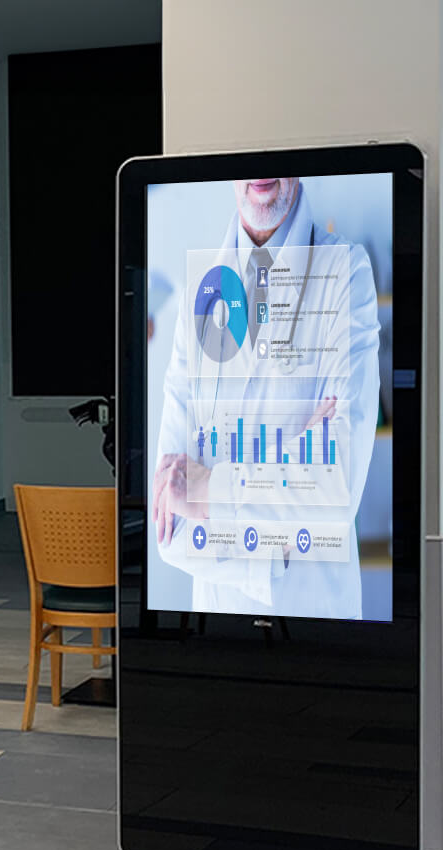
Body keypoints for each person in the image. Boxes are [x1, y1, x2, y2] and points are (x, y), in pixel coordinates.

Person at [149, 177, 381, 619]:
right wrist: (280, 544)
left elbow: (339, 485)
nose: (260, 172)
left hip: (317, 617)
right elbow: (171, 524)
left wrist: (206, 488)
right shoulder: (199, 285)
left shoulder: (346, 271)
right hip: (216, 623)